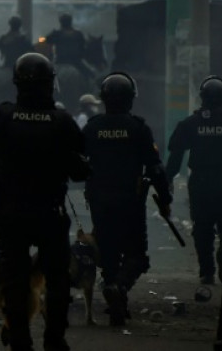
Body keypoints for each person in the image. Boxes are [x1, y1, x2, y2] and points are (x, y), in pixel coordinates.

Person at [0, 52, 90, 351]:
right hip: (49, 212)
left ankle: (20, 340)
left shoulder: (3, 116)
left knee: (14, 279)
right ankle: (54, 339)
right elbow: (79, 169)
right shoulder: (62, 121)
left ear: (17, 83)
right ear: (49, 83)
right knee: (57, 279)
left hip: (11, 211)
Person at [83, 72, 173, 326]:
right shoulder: (138, 128)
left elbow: (77, 163)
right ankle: (120, 288)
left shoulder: (92, 128)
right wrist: (164, 198)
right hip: (130, 203)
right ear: (130, 99)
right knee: (137, 256)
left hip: (100, 203)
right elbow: (155, 168)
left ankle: (116, 304)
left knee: (109, 255)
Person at [166, 76, 222, 285]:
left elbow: (175, 155)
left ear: (202, 97)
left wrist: (166, 181)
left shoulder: (191, 122)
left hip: (200, 182)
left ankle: (206, 272)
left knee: (202, 227)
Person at [45, 13, 94, 80]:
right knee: (91, 75)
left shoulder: (57, 33)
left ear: (61, 22)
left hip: (60, 60)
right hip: (76, 61)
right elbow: (82, 48)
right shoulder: (78, 34)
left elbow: (47, 39)